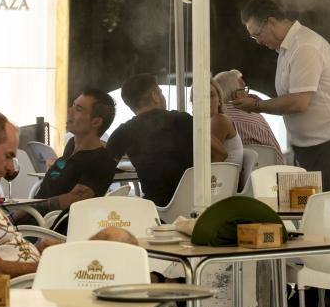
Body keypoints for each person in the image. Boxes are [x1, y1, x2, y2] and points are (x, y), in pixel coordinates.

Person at [232, 0, 330, 307]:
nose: (257, 41)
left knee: (327, 221)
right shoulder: (287, 50)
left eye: (256, 33)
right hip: (308, 146)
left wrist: (258, 105)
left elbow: (300, 102)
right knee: (310, 220)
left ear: (271, 21)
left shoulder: (305, 47)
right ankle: (312, 290)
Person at [0, 110, 137, 277]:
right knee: (116, 239)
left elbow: (0, 254)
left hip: (38, 275)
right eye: (8, 155)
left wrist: (38, 251)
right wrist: (51, 263)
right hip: (36, 286)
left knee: (114, 241)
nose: (11, 167)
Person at [107, 73, 193, 207]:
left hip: (156, 209)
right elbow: (220, 153)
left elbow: (104, 171)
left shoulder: (122, 133)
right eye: (160, 92)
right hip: (193, 202)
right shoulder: (185, 120)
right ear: (155, 96)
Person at [32, 89, 118, 217]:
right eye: (73, 105)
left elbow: (74, 200)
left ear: (96, 122)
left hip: (47, 228)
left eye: (78, 109)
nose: (68, 110)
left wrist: (27, 209)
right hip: (31, 216)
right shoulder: (71, 145)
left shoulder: (101, 161)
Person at [214, 69, 286, 165]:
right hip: (271, 174)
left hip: (235, 176)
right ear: (237, 95)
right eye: (245, 89)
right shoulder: (257, 117)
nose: (248, 94)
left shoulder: (217, 118)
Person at [209, 78, 243, 167]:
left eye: (211, 95)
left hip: (223, 179)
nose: (206, 99)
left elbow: (210, 159)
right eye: (200, 96)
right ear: (193, 102)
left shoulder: (219, 120)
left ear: (220, 101)